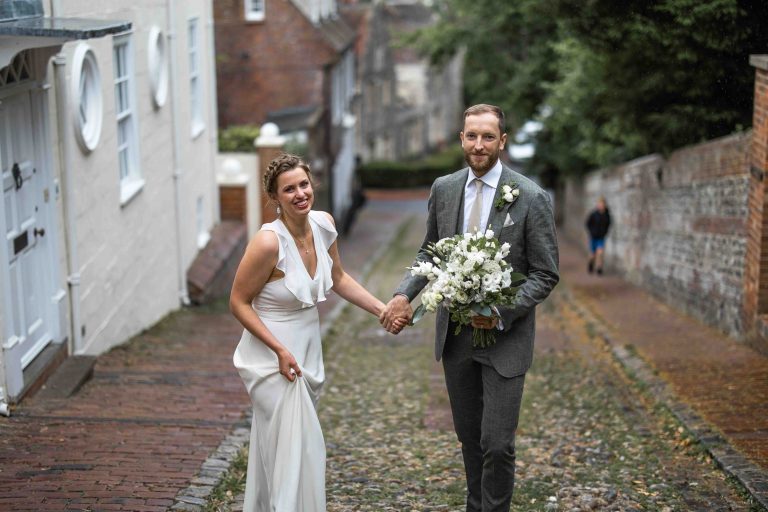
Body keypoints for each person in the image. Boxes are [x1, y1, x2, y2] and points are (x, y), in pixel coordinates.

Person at [380, 104, 559, 512]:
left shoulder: (530, 197)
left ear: (503, 141)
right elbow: (431, 250)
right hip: (457, 336)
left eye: (488, 137)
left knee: (497, 443)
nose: (479, 145)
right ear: (461, 138)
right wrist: (404, 293)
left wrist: (501, 312)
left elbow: (545, 274)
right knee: (470, 439)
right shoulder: (444, 188)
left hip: (505, 339)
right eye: (472, 136)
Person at [230, 153, 405, 511]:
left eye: (304, 184)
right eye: (289, 189)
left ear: (313, 184)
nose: (299, 194)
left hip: (307, 348)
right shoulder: (268, 243)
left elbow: (338, 277)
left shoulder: (324, 224)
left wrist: (381, 309)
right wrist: (278, 350)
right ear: (275, 198)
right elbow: (238, 302)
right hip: (271, 357)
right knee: (300, 448)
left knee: (283, 448)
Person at [585, 196, 611, 275]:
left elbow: (608, 224)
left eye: (602, 204)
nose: (601, 205)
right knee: (593, 254)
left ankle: (599, 268)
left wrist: (605, 232)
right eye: (599, 204)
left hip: (601, 237)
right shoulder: (593, 214)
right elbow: (587, 223)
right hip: (593, 237)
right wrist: (591, 232)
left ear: (604, 205)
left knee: (600, 252)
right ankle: (591, 264)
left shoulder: (607, 215)